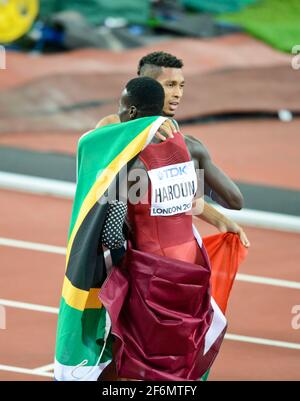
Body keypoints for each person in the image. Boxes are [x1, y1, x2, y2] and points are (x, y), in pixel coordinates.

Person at [98, 76, 245, 381]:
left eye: (122, 111)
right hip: (192, 272)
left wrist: (113, 271)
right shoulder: (190, 147)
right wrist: (220, 218)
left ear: (133, 113)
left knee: (134, 361)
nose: (119, 117)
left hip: (152, 276)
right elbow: (233, 199)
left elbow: (111, 233)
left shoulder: (129, 162)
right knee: (175, 362)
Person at [96, 51, 250, 248]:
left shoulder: (174, 135)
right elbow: (105, 188)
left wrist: (222, 220)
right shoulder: (112, 125)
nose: (178, 93)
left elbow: (182, 198)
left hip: (161, 249)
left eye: (181, 85)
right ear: (147, 85)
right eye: (170, 85)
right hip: (121, 248)